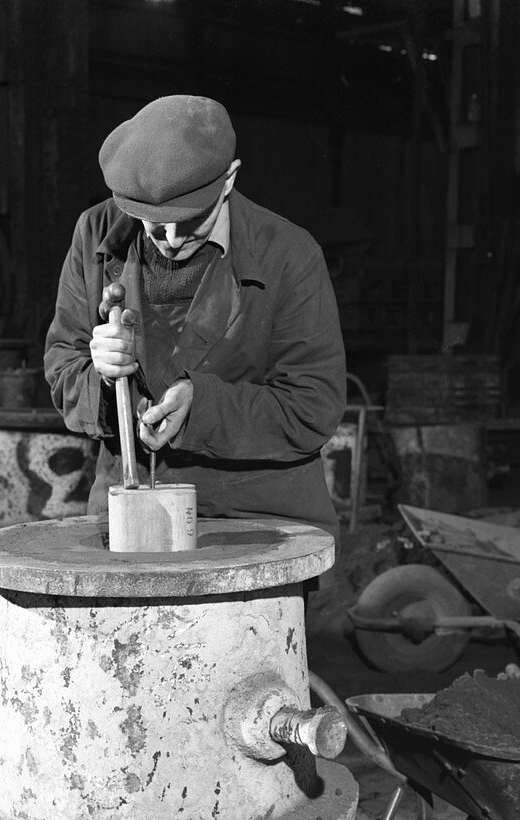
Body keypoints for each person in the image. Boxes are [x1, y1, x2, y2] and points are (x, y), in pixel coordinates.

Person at [44, 94, 346, 539]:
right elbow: (63, 368)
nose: (168, 239)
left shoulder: (289, 254)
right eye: (151, 220)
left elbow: (312, 405)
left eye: (188, 220)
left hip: (253, 519)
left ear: (228, 180)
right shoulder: (95, 234)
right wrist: (103, 379)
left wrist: (201, 406)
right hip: (128, 510)